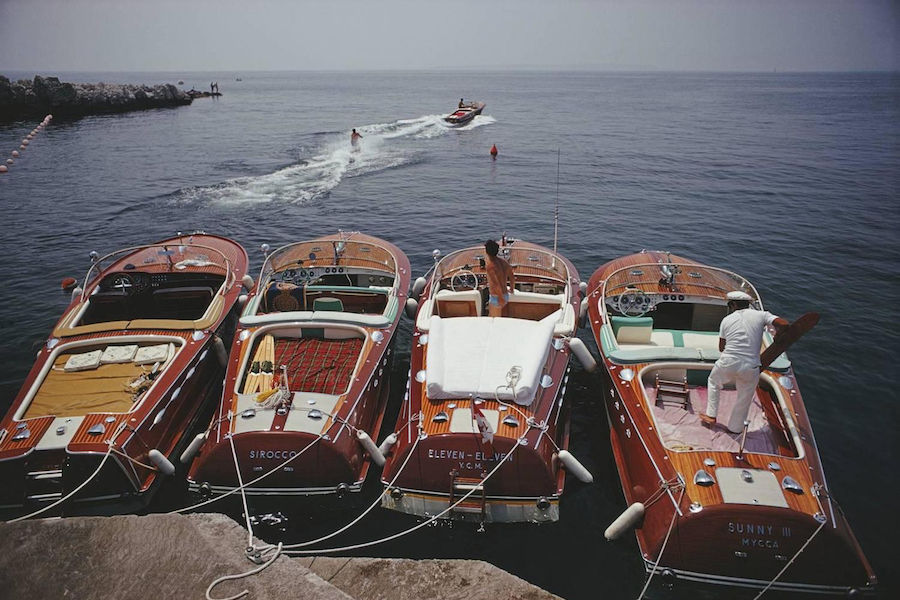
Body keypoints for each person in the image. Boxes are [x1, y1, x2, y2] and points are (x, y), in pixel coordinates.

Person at [701, 291, 788, 433]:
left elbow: (721, 348)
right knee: (745, 397)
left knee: (713, 382)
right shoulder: (762, 315)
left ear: (734, 304)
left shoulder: (727, 320)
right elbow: (784, 324)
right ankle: (735, 428)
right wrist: (778, 335)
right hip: (751, 366)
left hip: (728, 362)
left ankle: (711, 415)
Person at [484, 239, 515, 317]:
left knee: (493, 320)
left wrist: (500, 298)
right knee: (491, 315)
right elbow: (511, 276)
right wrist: (511, 289)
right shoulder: (503, 262)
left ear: (487, 252)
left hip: (497, 297)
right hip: (505, 295)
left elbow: (495, 284)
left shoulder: (490, 266)